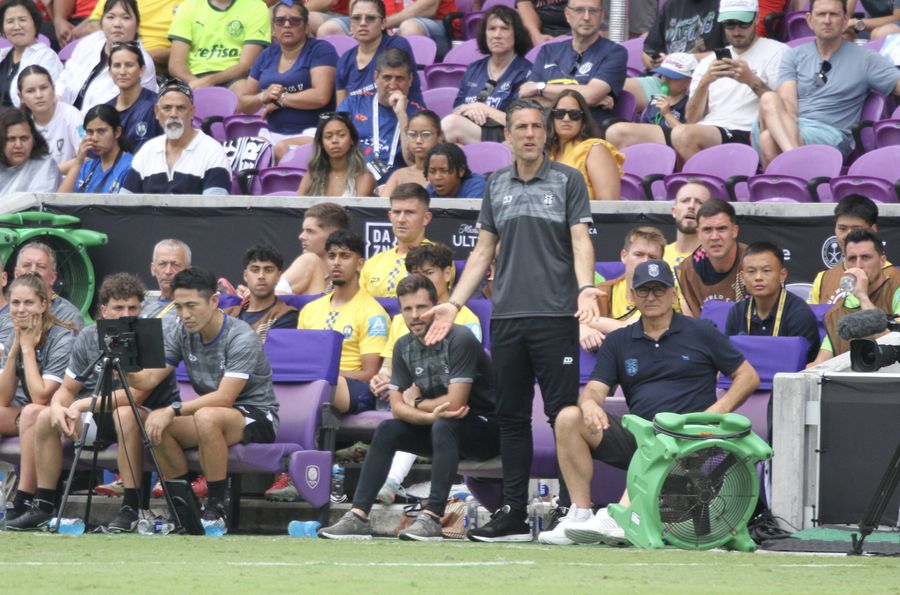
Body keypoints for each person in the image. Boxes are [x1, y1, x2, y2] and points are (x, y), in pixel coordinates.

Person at [423, 99, 600, 542]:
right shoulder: (495, 184)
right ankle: (515, 515)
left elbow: (581, 242)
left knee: (563, 414)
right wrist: (455, 303)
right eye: (520, 126)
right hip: (507, 318)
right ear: (507, 135)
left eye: (537, 127)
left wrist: (583, 290)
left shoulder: (568, 179)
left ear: (546, 134)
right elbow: (483, 251)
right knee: (512, 418)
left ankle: (571, 510)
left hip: (556, 315)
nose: (529, 134)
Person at [537, 259, 760, 546]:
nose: (651, 297)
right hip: (640, 435)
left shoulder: (701, 331)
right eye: (644, 291)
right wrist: (590, 403)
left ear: (673, 294)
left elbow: (748, 376)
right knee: (569, 417)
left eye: (659, 289)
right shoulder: (619, 340)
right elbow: (594, 388)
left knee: (662, 432)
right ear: (632, 296)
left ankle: (619, 516)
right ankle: (580, 513)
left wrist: (714, 414)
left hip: (693, 438)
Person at [318, 274, 499, 541]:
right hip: (444, 428)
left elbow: (456, 402)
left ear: (436, 307)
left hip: (487, 430)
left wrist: (417, 403)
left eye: (421, 307)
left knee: (446, 423)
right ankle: (357, 516)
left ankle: (433, 517)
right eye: (407, 309)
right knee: (389, 429)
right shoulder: (403, 346)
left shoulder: (460, 338)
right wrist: (427, 416)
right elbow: (396, 408)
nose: (414, 315)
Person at [6, 273, 180, 532]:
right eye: (118, 308)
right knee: (43, 415)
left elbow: (135, 395)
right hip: (97, 416)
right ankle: (42, 505)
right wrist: (58, 407)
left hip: (145, 418)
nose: (126, 314)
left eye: (132, 307)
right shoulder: (89, 336)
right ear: (103, 310)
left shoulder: (150, 336)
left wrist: (80, 405)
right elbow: (67, 389)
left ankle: (130, 507)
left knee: (124, 414)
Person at [127, 267, 279, 533]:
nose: (185, 314)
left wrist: (172, 410)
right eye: (179, 306)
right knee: (151, 423)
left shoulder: (242, 336)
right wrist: (124, 366)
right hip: (213, 414)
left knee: (205, 416)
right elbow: (150, 378)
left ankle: (215, 507)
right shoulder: (181, 331)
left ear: (214, 301)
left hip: (257, 415)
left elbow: (224, 397)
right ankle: (183, 507)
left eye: (192, 306)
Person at [753, 0, 900, 166]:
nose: (827, 20)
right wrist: (790, 128)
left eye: (834, 14)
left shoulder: (866, 58)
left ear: (845, 20)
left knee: (767, 138)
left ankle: (787, 171)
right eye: (821, 14)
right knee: (769, 100)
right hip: (793, 123)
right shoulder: (793, 55)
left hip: (829, 133)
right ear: (809, 20)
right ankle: (795, 159)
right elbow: (788, 105)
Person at [670, 0, 787, 165]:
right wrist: (705, 82)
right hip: (708, 129)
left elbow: (783, 107)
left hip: (747, 131)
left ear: (756, 18)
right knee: (624, 131)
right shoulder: (708, 62)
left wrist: (750, 80)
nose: (737, 31)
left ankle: (707, 185)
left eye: (743, 23)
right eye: (730, 25)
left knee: (682, 134)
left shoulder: (778, 52)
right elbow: (691, 118)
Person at [297, 230, 389, 414]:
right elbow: (300, 359)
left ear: (360, 264)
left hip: (355, 388)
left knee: (320, 386)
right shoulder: (310, 309)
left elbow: (370, 374)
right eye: (331, 256)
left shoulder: (373, 314)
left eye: (345, 256)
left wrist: (324, 375)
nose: (336, 262)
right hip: (314, 381)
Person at [237, 1, 337, 162]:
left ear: (306, 27)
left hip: (314, 132)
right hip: (272, 133)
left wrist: (280, 100)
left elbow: (320, 96)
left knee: (282, 148)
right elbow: (243, 104)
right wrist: (262, 97)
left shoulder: (321, 50)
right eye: (280, 21)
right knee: (248, 149)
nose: (287, 25)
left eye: (295, 20)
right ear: (274, 29)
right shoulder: (266, 55)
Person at [518, 0, 627, 125]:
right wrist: (584, 99)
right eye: (579, 10)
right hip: (545, 130)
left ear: (601, 16)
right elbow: (527, 98)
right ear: (567, 15)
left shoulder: (615, 53)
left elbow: (591, 95)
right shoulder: (548, 51)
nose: (586, 17)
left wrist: (540, 88)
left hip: (588, 131)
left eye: (593, 11)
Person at [441, 5, 533, 145]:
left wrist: (484, 109)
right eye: (492, 29)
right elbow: (457, 109)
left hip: (506, 135)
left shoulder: (525, 71)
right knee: (454, 146)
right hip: (471, 130)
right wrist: (470, 110)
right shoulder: (474, 68)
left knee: (451, 125)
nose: (497, 35)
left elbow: (521, 121)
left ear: (516, 34)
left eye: (504, 29)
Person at [121, 78, 230, 195]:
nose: (173, 114)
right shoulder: (148, 151)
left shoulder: (212, 152)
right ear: (157, 112)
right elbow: (124, 204)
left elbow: (214, 209)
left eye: (181, 108)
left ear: (192, 112)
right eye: (167, 108)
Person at [0, 274, 76, 440]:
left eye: (28, 302)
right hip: (32, 412)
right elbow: (2, 399)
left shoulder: (62, 337)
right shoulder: (14, 335)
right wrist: (14, 350)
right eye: (15, 303)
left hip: (68, 415)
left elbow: (41, 397)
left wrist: (27, 349)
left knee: (30, 412)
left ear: (43, 305)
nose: (21, 310)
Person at [337, 47, 424, 185]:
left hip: (398, 189)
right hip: (352, 181)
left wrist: (402, 116)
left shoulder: (420, 116)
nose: (393, 85)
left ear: (410, 79)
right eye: (387, 77)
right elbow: (332, 146)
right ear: (376, 77)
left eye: (400, 78)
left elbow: (413, 162)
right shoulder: (353, 103)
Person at [812, 229, 900, 365]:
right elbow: (821, 362)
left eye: (865, 257)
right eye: (852, 259)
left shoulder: (896, 290)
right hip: (851, 384)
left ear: (882, 261)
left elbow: (894, 344)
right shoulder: (837, 312)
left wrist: (862, 296)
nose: (859, 265)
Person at [725, 242, 821, 363]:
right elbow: (727, 360)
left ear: (782, 275)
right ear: (743, 278)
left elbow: (803, 366)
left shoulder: (799, 314)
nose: (758, 277)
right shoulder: (737, 312)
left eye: (766, 270)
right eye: (751, 271)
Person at [624, 0, 726, 113]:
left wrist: (681, 59)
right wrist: (655, 60)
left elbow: (730, 54)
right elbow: (647, 52)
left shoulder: (723, 5)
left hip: (704, 84)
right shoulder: (672, 5)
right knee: (613, 88)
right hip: (664, 81)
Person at [57, 0, 157, 114]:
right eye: (110, 17)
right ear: (101, 22)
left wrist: (69, 120)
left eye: (125, 18)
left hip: (106, 125)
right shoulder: (91, 41)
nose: (117, 24)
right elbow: (66, 76)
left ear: (137, 25)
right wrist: (58, 98)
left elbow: (108, 109)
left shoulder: (141, 62)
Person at [579, 226, 668, 352]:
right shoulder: (602, 292)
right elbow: (573, 320)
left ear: (661, 263)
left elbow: (632, 328)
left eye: (652, 257)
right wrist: (582, 328)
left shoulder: (666, 295)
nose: (645, 262)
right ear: (624, 256)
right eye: (639, 254)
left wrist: (585, 322)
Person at [326, 0, 425, 107]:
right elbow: (342, 109)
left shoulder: (396, 46)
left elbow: (392, 96)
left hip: (401, 117)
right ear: (350, 24)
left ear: (383, 23)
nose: (363, 23)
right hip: (360, 122)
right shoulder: (344, 61)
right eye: (356, 18)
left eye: (371, 18)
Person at [167, 0, 270, 92]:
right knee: (171, 99)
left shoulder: (256, 6)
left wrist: (209, 81)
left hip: (234, 77)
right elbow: (176, 64)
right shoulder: (188, 6)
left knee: (244, 90)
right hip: (192, 76)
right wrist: (195, 83)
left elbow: (246, 65)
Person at [809, 194, 891, 305]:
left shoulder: (895, 278)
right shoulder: (823, 279)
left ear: (873, 230)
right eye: (842, 228)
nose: (847, 236)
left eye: (856, 229)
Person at [361, 183, 439, 298]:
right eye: (397, 212)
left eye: (409, 212)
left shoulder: (438, 258)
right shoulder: (372, 263)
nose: (401, 219)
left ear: (426, 218)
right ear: (390, 216)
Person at [605, 53, 696, 151]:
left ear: (689, 81)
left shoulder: (689, 104)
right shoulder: (655, 100)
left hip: (670, 148)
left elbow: (686, 136)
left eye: (672, 78)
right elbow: (644, 124)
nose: (665, 80)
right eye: (663, 76)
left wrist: (667, 114)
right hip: (647, 145)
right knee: (609, 124)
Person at [546, 89, 623, 200]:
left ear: (583, 119)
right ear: (552, 117)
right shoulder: (546, 154)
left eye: (574, 114)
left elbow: (608, 205)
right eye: (559, 113)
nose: (566, 119)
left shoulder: (595, 149)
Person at [676, 197, 748, 317]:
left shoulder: (753, 261)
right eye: (707, 230)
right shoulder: (688, 269)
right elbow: (693, 322)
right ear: (698, 234)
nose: (714, 237)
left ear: (734, 231)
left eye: (721, 229)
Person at [78, 0, 186, 69]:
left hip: (159, 67)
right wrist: (116, 51)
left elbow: (195, 46)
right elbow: (94, 23)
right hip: (109, 56)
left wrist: (145, 56)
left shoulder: (194, 3)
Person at [2, 242, 86, 330]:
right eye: (27, 265)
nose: (33, 271)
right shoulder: (7, 313)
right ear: (16, 274)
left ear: (53, 277)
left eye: (41, 266)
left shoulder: (68, 315)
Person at [224, 244, 299, 340]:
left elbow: (271, 352)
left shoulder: (287, 315)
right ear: (245, 275)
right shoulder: (227, 314)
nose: (261, 276)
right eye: (255, 270)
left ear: (278, 277)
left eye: (268, 270)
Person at [16, 65, 81, 172]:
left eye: (43, 88)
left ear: (53, 88)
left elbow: (87, 157)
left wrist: (49, 173)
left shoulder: (71, 115)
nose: (39, 95)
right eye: (30, 91)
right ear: (21, 97)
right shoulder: (20, 124)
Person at [0, 0, 63, 108]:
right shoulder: (3, 54)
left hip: (21, 121)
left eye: (22, 20)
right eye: (10, 21)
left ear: (35, 23)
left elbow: (48, 102)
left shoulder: (46, 57)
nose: (16, 27)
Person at [297, 111, 375, 198]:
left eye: (341, 135)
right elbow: (297, 208)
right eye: (328, 136)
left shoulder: (364, 178)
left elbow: (358, 211)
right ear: (321, 143)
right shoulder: (311, 176)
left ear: (352, 139)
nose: (334, 140)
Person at [58, 104, 133, 193]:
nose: (94, 138)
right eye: (90, 132)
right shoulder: (86, 167)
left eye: (101, 131)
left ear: (117, 132)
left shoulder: (131, 166)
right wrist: (78, 162)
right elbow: (61, 200)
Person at [279, 203, 350, 295]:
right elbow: (267, 300)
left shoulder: (354, 272)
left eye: (310, 231)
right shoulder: (308, 260)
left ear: (333, 236)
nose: (301, 236)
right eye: (304, 230)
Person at [107, 40, 162, 151]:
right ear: (110, 72)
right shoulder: (106, 111)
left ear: (142, 70)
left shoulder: (159, 106)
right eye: (117, 65)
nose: (122, 71)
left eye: (129, 65)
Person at [379, 109, 442, 197]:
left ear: (440, 136)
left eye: (426, 134)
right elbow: (381, 208)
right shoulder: (399, 175)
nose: (418, 140)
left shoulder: (444, 176)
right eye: (412, 134)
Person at [0, 107, 60, 193]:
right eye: (11, 139)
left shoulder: (45, 165)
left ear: (34, 139)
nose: (18, 145)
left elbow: (40, 202)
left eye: (24, 138)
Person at [663, 181, 711, 272]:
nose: (691, 206)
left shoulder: (715, 260)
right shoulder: (658, 255)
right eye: (685, 201)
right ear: (674, 211)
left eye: (699, 202)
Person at [142, 238, 192, 318]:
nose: (168, 271)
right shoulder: (140, 308)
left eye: (175, 265)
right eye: (162, 264)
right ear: (153, 269)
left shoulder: (196, 310)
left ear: (188, 271)